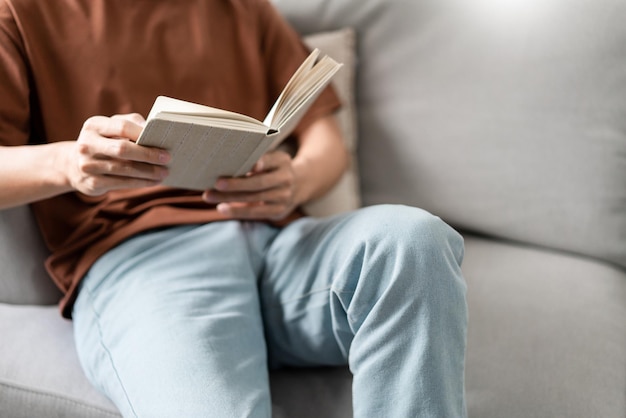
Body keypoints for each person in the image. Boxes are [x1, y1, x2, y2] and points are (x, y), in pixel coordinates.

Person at [0, 0, 468, 416]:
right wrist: (67, 162)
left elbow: (326, 139)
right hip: (145, 266)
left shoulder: (243, 8)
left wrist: (298, 178)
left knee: (413, 242)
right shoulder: (20, 12)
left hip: (280, 247)